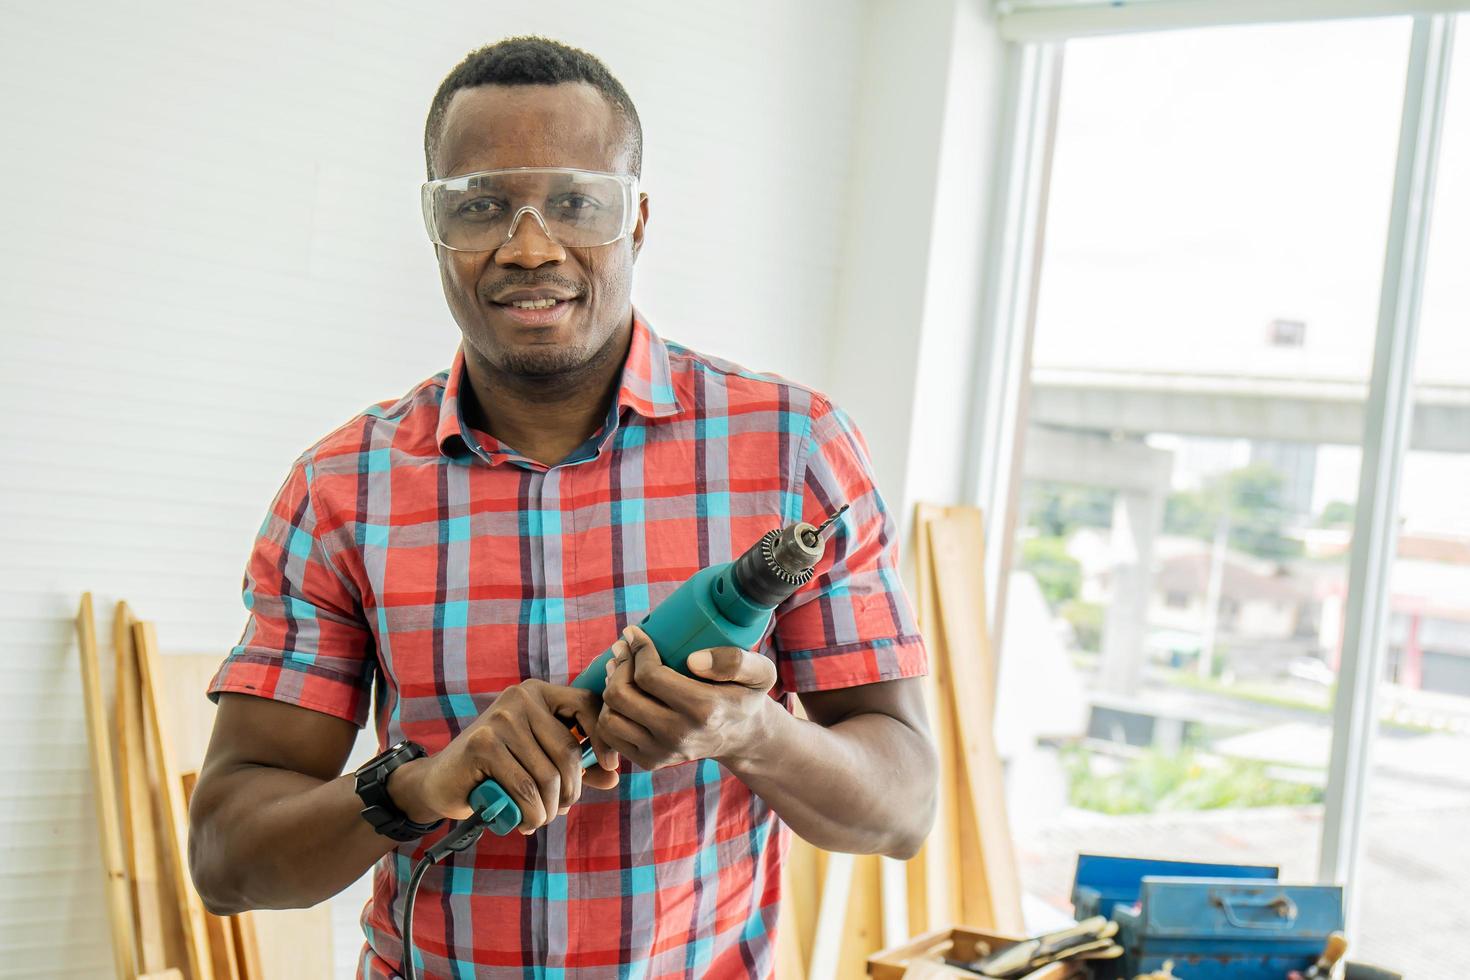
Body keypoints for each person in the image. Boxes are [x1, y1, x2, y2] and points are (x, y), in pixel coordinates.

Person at [189, 36, 936, 979]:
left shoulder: (795, 451)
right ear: (437, 226)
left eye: (577, 203)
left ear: (639, 219)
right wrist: (418, 786)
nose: (529, 246)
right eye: (481, 205)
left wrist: (748, 733)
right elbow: (227, 863)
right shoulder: (343, 490)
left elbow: (903, 811)